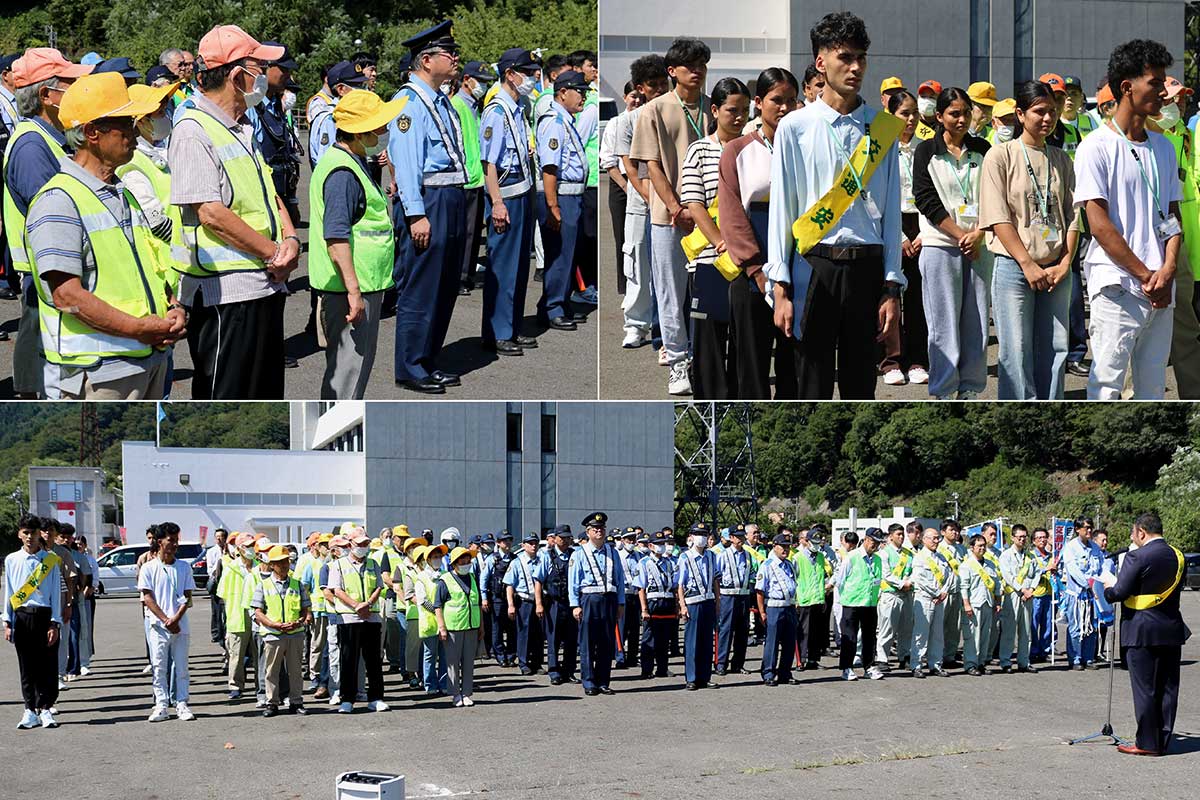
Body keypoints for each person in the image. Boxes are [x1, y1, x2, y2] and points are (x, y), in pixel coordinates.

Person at [766, 12, 904, 400]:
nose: (856, 67)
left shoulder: (882, 130)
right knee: (811, 382)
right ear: (821, 62)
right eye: (845, 57)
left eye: (862, 57)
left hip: (868, 267)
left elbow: (892, 214)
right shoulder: (796, 127)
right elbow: (783, 209)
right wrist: (780, 287)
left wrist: (892, 285)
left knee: (862, 384)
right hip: (814, 265)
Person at [26, 72, 182, 400]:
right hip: (101, 373)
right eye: (124, 123)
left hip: (146, 357)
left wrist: (172, 306)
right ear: (91, 133)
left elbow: (150, 264)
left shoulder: (121, 192)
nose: (134, 131)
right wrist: (139, 329)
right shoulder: (59, 201)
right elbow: (68, 297)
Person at [169, 25, 299, 400]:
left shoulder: (241, 126)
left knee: (264, 391)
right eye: (258, 66)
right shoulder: (193, 129)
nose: (265, 75)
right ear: (235, 74)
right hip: (225, 293)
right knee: (226, 394)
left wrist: (289, 238)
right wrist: (273, 252)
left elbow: (269, 193)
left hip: (263, 282)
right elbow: (209, 211)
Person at [1075, 39, 1180, 399]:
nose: (1164, 91)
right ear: (1126, 87)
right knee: (1106, 386)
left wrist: (1166, 271)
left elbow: (1173, 215)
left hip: (1161, 290)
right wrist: (1145, 275)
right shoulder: (1096, 147)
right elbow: (1099, 225)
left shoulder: (1163, 146)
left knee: (1153, 389)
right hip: (1118, 286)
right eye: (1155, 82)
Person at [4, 48, 94, 398]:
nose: (77, 90)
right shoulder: (31, 145)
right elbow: (54, 213)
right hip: (44, 271)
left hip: (50, 269)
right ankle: (30, 392)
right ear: (46, 95)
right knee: (40, 353)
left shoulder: (50, 139)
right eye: (69, 84)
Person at [980, 80, 1078, 399]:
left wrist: (1065, 263)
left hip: (1056, 270)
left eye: (1052, 111)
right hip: (1015, 269)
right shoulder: (1000, 156)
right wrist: (1027, 264)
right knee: (1015, 351)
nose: (1047, 118)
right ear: (1020, 114)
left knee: (1055, 349)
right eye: (1039, 112)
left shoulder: (1062, 159)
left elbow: (1074, 215)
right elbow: (998, 217)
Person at [629, 37, 713, 396]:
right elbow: (652, 167)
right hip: (669, 216)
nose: (697, 71)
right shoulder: (655, 110)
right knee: (670, 291)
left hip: (712, 217)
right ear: (672, 71)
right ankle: (678, 362)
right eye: (689, 66)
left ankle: (705, 358)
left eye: (702, 65)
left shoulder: (715, 107)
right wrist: (676, 207)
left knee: (708, 291)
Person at [388, 21, 467, 395]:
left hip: (450, 196)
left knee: (445, 285)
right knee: (421, 287)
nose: (455, 58)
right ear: (425, 59)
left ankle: (429, 359)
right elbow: (405, 163)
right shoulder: (408, 102)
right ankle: (410, 365)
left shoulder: (440, 100)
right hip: (429, 200)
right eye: (447, 53)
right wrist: (416, 213)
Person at [309, 90, 403, 399]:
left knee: (350, 375)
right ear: (361, 133)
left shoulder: (351, 161)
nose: (386, 132)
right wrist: (354, 293)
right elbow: (336, 238)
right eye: (380, 127)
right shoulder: (342, 173)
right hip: (350, 292)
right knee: (347, 380)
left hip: (359, 287)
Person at [717, 68, 800, 400]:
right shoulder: (737, 150)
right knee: (751, 360)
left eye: (791, 101)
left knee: (794, 358)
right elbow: (733, 214)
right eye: (776, 100)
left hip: (797, 264)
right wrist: (756, 271)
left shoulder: (804, 146)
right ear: (758, 103)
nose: (783, 108)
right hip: (751, 269)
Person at [912, 86, 991, 400]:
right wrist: (960, 235)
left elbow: (995, 196)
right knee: (943, 322)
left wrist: (980, 233)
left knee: (977, 322)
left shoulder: (983, 149)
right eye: (954, 114)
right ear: (940, 116)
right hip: (940, 245)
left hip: (980, 244)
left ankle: (971, 387)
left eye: (966, 113)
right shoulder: (925, 151)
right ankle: (944, 389)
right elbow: (926, 200)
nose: (961, 119)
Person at [678, 77, 749, 398]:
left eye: (745, 110)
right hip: (710, 262)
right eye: (732, 110)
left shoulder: (755, 148)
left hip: (748, 261)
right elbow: (694, 204)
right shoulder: (699, 150)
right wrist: (722, 242)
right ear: (715, 110)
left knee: (743, 343)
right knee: (709, 344)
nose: (739, 117)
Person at [1099, 512, 1190, 755]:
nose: (1132, 537)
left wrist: (1107, 587)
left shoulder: (1136, 556)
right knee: (1168, 688)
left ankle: (1147, 743)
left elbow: (1119, 592)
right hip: (1170, 629)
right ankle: (1163, 739)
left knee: (1145, 688)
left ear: (1141, 532)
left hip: (1141, 630)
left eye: (1133, 533)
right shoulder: (1178, 556)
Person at [476, 50, 540, 356]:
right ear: (511, 73)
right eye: (528, 71)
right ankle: (497, 332)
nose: (533, 77)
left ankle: (512, 326)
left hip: (522, 192)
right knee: (502, 266)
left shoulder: (517, 107)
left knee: (518, 268)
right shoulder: (496, 111)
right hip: (506, 196)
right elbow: (488, 163)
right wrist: (497, 203)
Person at [616, 54, 669, 350]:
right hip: (641, 202)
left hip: (671, 202)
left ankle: (666, 327)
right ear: (640, 88)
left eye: (664, 83)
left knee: (666, 269)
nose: (660, 89)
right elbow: (630, 167)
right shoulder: (628, 120)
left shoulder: (674, 113)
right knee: (636, 263)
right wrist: (652, 198)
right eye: (653, 84)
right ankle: (636, 324)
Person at [536, 67, 593, 337]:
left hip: (572, 195)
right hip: (562, 196)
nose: (582, 97)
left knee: (568, 253)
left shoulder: (566, 120)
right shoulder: (554, 122)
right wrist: (553, 206)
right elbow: (550, 168)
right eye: (578, 92)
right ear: (562, 93)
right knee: (559, 254)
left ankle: (557, 301)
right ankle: (553, 307)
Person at [878, 89, 929, 387]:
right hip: (890, 225)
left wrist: (923, 232)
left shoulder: (924, 149)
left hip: (921, 226)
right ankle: (891, 361)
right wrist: (897, 235)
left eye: (914, 113)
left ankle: (918, 359)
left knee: (919, 298)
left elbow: (931, 195)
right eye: (904, 113)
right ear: (891, 115)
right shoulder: (879, 148)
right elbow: (877, 197)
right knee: (890, 294)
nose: (910, 119)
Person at [3, 515, 63, 729]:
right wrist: (7, 621)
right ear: (20, 534)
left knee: (47, 665)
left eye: (34, 533)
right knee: (26, 666)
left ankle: (45, 708)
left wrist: (55, 623)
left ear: (40, 534)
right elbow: (9, 592)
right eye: (26, 533)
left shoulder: (50, 560)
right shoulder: (11, 560)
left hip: (45, 616)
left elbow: (56, 593)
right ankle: (29, 709)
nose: (30, 537)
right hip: (21, 616)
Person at [138, 523, 195, 722]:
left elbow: (187, 596)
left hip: (180, 626)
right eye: (171, 540)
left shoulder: (184, 567)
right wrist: (165, 620)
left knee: (181, 667)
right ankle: (161, 705)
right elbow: (147, 597)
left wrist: (176, 618)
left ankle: (182, 703)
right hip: (158, 626)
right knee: (159, 666)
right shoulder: (148, 567)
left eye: (176, 540)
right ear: (159, 542)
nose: (174, 544)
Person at [327, 529, 387, 712]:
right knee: (348, 660)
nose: (363, 547)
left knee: (374, 660)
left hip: (371, 616)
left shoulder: (373, 563)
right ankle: (347, 699)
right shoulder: (338, 565)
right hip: (348, 618)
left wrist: (367, 603)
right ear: (350, 544)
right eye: (359, 544)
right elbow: (337, 590)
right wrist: (356, 605)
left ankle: (376, 698)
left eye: (365, 544)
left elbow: (378, 586)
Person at [569, 512, 626, 696]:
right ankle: (589, 682)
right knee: (587, 643)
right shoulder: (579, 553)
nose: (599, 531)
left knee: (606, 642)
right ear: (588, 532)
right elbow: (574, 582)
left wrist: (620, 603)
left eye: (601, 528)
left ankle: (603, 681)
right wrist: (575, 605)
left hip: (609, 600)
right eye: (595, 529)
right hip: (589, 600)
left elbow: (620, 579)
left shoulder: (612, 552)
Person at [250, 544, 310, 717]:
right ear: (272, 565)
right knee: (271, 671)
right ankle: (272, 703)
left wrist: (299, 622)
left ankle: (296, 701)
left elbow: (305, 609)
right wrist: (273, 624)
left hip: (294, 633)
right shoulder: (264, 585)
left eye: (286, 562)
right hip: (273, 633)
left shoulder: (297, 584)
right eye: (279, 562)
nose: (284, 565)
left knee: (295, 670)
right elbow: (258, 611)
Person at [451, 61, 494, 295]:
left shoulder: (473, 106)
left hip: (475, 177)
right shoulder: (457, 104)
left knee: (474, 231)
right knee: (465, 232)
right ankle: (459, 277)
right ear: (467, 79)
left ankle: (466, 275)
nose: (484, 86)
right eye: (481, 81)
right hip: (465, 178)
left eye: (487, 82)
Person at [249, 44, 302, 230]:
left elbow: (287, 157)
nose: (288, 75)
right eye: (284, 69)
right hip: (263, 201)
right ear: (265, 66)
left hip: (282, 195)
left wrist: (292, 200)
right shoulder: (251, 107)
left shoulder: (276, 105)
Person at [603, 81, 639, 297]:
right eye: (633, 96)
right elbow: (608, 161)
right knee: (623, 238)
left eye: (640, 97)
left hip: (644, 182)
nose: (636, 101)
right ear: (625, 97)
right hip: (621, 185)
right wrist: (627, 187)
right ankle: (625, 286)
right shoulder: (615, 123)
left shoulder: (646, 119)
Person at [434, 546, 482, 707]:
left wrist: (481, 627)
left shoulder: (473, 577)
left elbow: (477, 604)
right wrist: (442, 627)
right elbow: (437, 605)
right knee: (452, 663)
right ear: (454, 563)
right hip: (452, 628)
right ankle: (455, 693)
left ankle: (467, 693)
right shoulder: (444, 580)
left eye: (468, 559)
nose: (466, 562)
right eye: (463, 560)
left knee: (469, 662)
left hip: (471, 627)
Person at [836, 527, 885, 680]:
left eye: (878, 543)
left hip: (870, 603)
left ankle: (869, 666)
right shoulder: (852, 557)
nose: (875, 545)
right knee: (849, 637)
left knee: (870, 637)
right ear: (866, 539)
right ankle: (847, 667)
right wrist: (848, 596)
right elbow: (840, 581)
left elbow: (877, 579)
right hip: (852, 603)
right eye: (873, 541)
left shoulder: (877, 559)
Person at [676, 522, 720, 690]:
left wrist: (718, 601)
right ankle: (692, 678)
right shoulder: (685, 557)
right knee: (692, 642)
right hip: (692, 602)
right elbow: (680, 585)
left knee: (707, 642)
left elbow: (715, 580)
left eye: (704, 534)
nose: (701, 537)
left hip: (708, 601)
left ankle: (705, 676)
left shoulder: (711, 556)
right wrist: (683, 606)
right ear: (691, 537)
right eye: (698, 534)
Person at [535, 525, 578, 684]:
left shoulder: (575, 555)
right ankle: (554, 671)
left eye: (568, 538)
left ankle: (569, 671)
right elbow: (538, 581)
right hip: (553, 603)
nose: (565, 541)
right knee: (553, 639)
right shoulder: (547, 556)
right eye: (562, 538)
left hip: (571, 603)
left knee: (571, 639)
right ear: (555, 538)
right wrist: (538, 604)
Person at [1061, 519, 1105, 669]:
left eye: (1091, 528)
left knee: (1091, 626)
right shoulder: (1070, 547)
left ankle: (1088, 658)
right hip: (1077, 594)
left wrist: (1101, 583)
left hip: (1093, 595)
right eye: (1086, 528)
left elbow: (1101, 568)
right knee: (1076, 627)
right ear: (1077, 529)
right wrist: (1088, 584)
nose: (1089, 531)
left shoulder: (1095, 548)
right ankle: (1075, 659)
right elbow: (1073, 570)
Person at [997, 524, 1042, 673]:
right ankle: (1005, 661)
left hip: (1028, 596)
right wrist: (1022, 589)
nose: (1022, 539)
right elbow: (1008, 576)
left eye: (1024, 537)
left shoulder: (1030, 556)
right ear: (1012, 537)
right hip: (1013, 595)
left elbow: (1037, 573)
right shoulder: (1006, 555)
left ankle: (1024, 661)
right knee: (1009, 630)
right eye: (1019, 537)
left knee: (1026, 630)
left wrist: (1031, 589)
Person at [755, 532, 798, 686]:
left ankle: (785, 672)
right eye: (783, 546)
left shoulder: (789, 565)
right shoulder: (767, 565)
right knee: (772, 642)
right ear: (775, 546)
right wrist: (762, 612)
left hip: (789, 606)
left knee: (789, 643)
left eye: (788, 546)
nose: (786, 549)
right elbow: (759, 591)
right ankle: (768, 673)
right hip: (774, 606)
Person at [635, 529, 677, 679]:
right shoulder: (644, 563)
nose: (662, 546)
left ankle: (662, 668)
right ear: (651, 546)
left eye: (663, 544)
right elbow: (640, 587)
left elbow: (675, 585)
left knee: (664, 639)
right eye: (658, 544)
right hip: (652, 602)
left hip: (668, 602)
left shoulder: (669, 563)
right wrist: (644, 609)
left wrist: (677, 605)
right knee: (649, 638)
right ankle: (646, 670)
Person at [910, 528, 950, 678]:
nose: (936, 541)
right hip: (924, 598)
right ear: (924, 539)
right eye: (933, 538)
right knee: (921, 634)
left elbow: (950, 576)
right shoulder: (919, 558)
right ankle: (916, 665)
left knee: (938, 634)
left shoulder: (941, 558)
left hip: (939, 600)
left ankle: (936, 664)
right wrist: (937, 592)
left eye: (937, 538)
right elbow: (920, 579)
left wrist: (944, 591)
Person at [715, 523, 755, 675]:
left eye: (742, 536)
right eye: (737, 537)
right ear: (730, 538)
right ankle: (721, 664)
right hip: (728, 596)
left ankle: (738, 664)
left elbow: (751, 573)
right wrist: (718, 597)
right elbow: (716, 577)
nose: (740, 539)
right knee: (726, 630)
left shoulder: (747, 554)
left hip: (743, 596)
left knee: (742, 631)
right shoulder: (723, 555)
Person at [501, 531, 543, 675]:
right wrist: (511, 605)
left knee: (538, 634)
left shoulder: (542, 560)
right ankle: (524, 663)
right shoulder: (517, 562)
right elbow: (509, 585)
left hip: (540, 602)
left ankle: (537, 663)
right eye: (530, 543)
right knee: (524, 633)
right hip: (524, 602)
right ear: (523, 545)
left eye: (535, 543)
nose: (533, 546)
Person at [960, 533, 1002, 675]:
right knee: (972, 635)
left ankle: (981, 662)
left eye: (984, 546)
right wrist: (966, 604)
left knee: (985, 635)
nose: (982, 548)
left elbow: (996, 584)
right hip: (974, 604)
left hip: (987, 603)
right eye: (979, 546)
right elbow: (964, 587)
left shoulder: (990, 564)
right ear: (972, 547)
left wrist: (997, 601)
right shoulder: (966, 565)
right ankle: (971, 664)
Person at [874, 523, 913, 671]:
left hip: (907, 594)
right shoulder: (884, 553)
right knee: (887, 628)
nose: (901, 537)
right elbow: (886, 575)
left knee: (906, 629)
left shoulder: (908, 554)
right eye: (898, 534)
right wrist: (903, 583)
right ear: (890, 536)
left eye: (902, 534)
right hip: (891, 594)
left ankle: (905, 656)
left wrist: (910, 582)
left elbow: (913, 570)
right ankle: (882, 659)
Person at [790, 526, 827, 670]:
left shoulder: (820, 557)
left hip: (817, 599)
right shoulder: (797, 558)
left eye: (819, 542)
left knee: (816, 632)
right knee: (803, 632)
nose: (817, 545)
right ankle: (801, 659)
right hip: (803, 601)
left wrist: (822, 598)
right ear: (806, 541)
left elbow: (820, 578)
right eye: (814, 542)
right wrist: (795, 600)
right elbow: (792, 579)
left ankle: (813, 659)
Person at [481, 530, 516, 667]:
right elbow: (484, 579)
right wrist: (484, 598)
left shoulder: (514, 558)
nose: (507, 543)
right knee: (497, 629)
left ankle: (511, 655)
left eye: (509, 540)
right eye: (504, 540)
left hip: (513, 599)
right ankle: (500, 655)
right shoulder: (492, 559)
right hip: (497, 598)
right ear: (498, 543)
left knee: (512, 628)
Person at [613, 528, 642, 670]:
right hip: (623, 594)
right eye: (628, 539)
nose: (631, 542)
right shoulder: (617, 555)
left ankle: (632, 656)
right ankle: (620, 657)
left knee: (635, 628)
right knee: (621, 627)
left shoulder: (638, 556)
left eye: (633, 539)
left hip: (636, 594)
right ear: (623, 540)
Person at [1029, 527, 1058, 663]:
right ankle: (1033, 650)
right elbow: (1029, 573)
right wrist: (1045, 569)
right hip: (1036, 594)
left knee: (1048, 624)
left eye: (1044, 537)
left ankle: (1044, 650)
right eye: (1038, 538)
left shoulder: (1052, 556)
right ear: (1034, 541)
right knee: (1033, 625)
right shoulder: (1030, 556)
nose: (1042, 540)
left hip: (1049, 593)